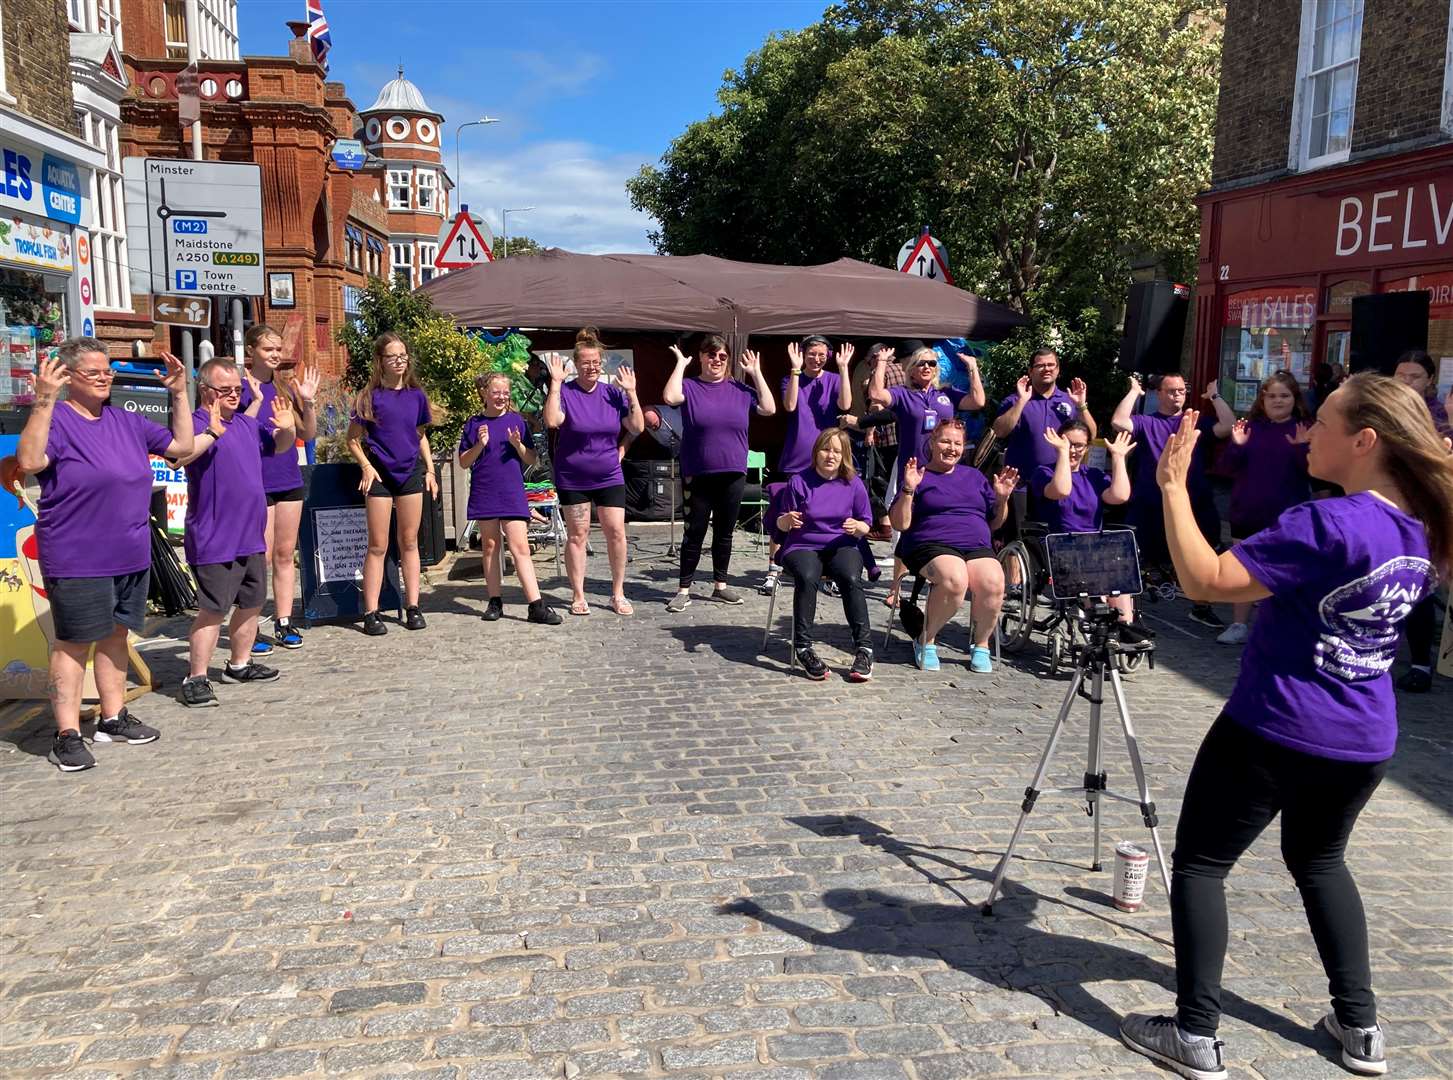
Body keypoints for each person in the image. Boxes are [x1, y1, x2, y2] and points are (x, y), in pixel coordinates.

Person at [1119, 375, 1453, 1080]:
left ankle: (1195, 1033)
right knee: (1320, 862)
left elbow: (1206, 579)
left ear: (1363, 442)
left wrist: (1174, 488)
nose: (1305, 434)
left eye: (1321, 423)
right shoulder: (1423, 528)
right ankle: (1359, 1029)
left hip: (1273, 727)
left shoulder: (1325, 523)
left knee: (1201, 865)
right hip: (1363, 739)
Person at [15, 340, 193, 772]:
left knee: (116, 637)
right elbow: (28, 459)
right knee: (73, 645)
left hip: (129, 552)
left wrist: (180, 393)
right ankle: (67, 734)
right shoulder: (56, 420)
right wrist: (43, 400)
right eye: (93, 372)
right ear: (69, 378)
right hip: (77, 554)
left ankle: (112, 718)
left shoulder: (127, 421)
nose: (104, 378)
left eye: (107, 372)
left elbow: (183, 448)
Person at [172, 359, 293, 706]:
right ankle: (195, 677)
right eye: (226, 390)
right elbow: (180, 457)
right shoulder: (195, 423)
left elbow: (280, 446)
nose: (234, 396)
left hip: (250, 534)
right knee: (213, 608)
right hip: (214, 536)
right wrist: (211, 432)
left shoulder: (244, 422)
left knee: (253, 602)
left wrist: (286, 428)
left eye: (238, 390)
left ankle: (239, 664)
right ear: (206, 391)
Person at [890, 421, 1016, 674]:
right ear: (933, 443)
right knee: (954, 579)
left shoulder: (975, 477)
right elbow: (900, 523)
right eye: (945, 441)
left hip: (976, 545)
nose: (952, 448)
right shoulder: (920, 475)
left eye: (957, 443)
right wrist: (908, 489)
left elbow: (995, 523)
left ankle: (981, 645)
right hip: (929, 544)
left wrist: (1002, 499)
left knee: (994, 581)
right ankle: (926, 639)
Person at [662, 334, 776, 612]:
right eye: (711, 355)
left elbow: (769, 408)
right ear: (701, 357)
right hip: (698, 471)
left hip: (733, 470)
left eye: (722, 356)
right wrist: (680, 364)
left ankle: (720, 586)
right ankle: (683, 589)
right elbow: (670, 396)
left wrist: (757, 373)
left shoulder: (739, 389)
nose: (716, 360)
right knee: (695, 531)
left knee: (725, 532)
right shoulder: (690, 386)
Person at [1111, 372, 1231, 629]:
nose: (1177, 395)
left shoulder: (1195, 422)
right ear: (1159, 394)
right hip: (1150, 501)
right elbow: (1119, 422)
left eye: (1181, 391)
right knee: (1134, 553)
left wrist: (1215, 396)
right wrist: (1134, 392)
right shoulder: (1147, 422)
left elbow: (1228, 427)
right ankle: (1127, 613)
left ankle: (1201, 606)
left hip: (1194, 502)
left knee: (1203, 554)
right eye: (1171, 391)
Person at [543, 328, 644, 616]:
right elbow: (552, 421)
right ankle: (578, 594)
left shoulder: (613, 393)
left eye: (596, 362)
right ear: (576, 364)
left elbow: (636, 427)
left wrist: (632, 393)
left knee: (616, 533)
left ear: (602, 363)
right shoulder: (567, 392)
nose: (592, 367)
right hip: (573, 477)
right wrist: (555, 384)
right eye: (586, 362)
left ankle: (618, 592)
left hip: (608, 474)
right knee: (578, 534)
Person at [1211, 372, 1312, 646]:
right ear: (1263, 400)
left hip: (1287, 515)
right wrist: (1237, 446)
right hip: (1248, 510)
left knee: (1284, 572)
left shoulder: (1304, 428)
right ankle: (1238, 624)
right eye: (1272, 396)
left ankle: (1278, 627)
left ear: (1295, 399)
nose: (1278, 401)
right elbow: (1227, 468)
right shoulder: (1251, 428)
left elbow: (1314, 472)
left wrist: (1303, 449)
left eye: (1284, 395)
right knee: (1245, 569)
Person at [346, 331, 437, 635]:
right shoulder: (369, 398)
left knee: (410, 542)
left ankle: (413, 606)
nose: (399, 360)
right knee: (377, 545)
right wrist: (367, 467)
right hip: (380, 475)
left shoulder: (416, 396)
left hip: (410, 472)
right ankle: (371, 612)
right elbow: (353, 440)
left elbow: (420, 434)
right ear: (380, 361)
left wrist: (430, 469)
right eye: (392, 356)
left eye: (403, 355)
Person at [238, 325, 319, 655]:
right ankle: (250, 625)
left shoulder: (284, 388)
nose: (274, 355)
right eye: (268, 349)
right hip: (256, 482)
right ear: (252, 351)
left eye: (277, 350)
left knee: (286, 555)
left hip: (288, 479)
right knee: (263, 558)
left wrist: (309, 402)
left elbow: (308, 433)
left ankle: (284, 621)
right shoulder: (240, 388)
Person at [773, 428, 875, 682]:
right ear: (816, 452)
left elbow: (867, 524)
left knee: (850, 576)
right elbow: (781, 526)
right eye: (826, 449)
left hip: (842, 544)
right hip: (803, 545)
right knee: (808, 576)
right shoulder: (799, 481)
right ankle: (803, 647)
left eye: (837, 451)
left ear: (845, 456)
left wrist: (858, 527)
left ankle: (864, 648)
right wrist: (785, 520)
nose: (831, 455)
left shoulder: (853, 483)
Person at [460, 371, 560, 626]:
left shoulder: (517, 421)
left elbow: (531, 459)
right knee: (490, 546)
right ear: (484, 393)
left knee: (520, 547)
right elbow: (463, 462)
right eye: (496, 392)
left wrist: (518, 445)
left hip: (512, 491)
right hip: (485, 490)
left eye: (506, 393)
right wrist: (480, 445)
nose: (502, 397)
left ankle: (535, 604)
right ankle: (495, 600)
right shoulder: (473, 424)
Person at [1032, 422, 1142, 630]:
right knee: (1096, 581)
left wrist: (1118, 458)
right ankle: (1099, 625)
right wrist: (1063, 454)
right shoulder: (1043, 473)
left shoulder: (1092, 475)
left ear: (1087, 448)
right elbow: (1062, 490)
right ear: (1057, 442)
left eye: (1079, 445)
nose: (1073, 450)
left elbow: (1120, 496)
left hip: (1094, 547)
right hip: (1060, 547)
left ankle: (1126, 629)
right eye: (1068, 443)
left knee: (1120, 579)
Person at [1390, 350, 1449, 691]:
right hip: (1385, 504)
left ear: (1429, 381)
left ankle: (1421, 664)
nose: (1407, 382)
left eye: (1414, 376)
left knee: (1419, 589)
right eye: (1401, 375)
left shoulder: (1437, 415)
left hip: (1421, 511)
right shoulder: (1384, 411)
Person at [990, 347, 1095, 478]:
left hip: (1060, 479)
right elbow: (999, 432)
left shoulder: (1070, 400)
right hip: (1021, 481)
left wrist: (1081, 406)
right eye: (1040, 365)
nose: (1046, 369)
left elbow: (1092, 435)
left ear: (1058, 369)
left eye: (1051, 365)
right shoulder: (1015, 401)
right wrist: (1022, 401)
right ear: (1030, 371)